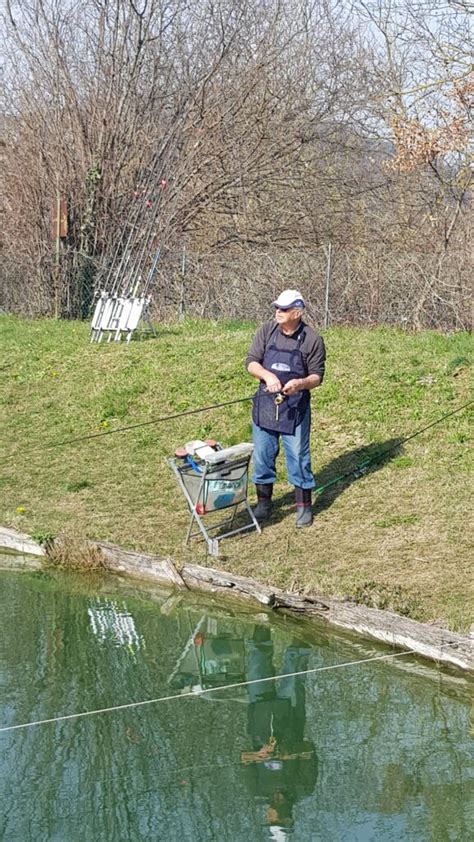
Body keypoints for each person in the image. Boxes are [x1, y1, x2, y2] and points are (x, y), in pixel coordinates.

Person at [246, 289, 326, 527]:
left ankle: (304, 508)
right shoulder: (266, 331)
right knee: (262, 456)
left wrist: (300, 383)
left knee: (299, 458)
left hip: (295, 408)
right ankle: (263, 503)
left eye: (283, 309)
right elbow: (251, 362)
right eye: (277, 308)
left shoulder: (312, 339)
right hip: (265, 405)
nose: (277, 313)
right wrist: (267, 375)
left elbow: (317, 377)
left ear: (297, 312)